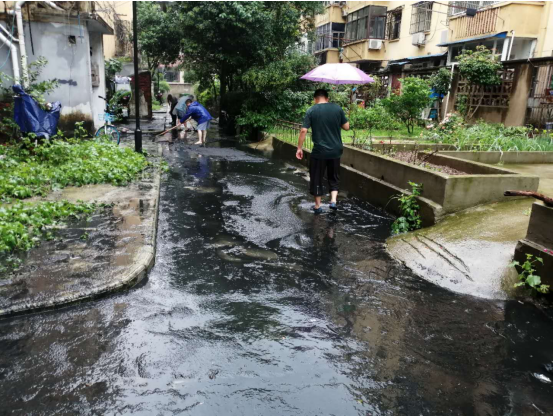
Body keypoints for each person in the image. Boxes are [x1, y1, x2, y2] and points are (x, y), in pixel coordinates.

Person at [296, 89, 349, 214]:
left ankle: (317, 206)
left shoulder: (311, 110)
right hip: (336, 150)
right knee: (334, 176)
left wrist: (299, 148)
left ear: (315, 99)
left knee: (317, 177)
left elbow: (303, 130)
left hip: (319, 152)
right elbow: (347, 127)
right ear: (327, 98)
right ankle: (333, 201)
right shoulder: (337, 108)